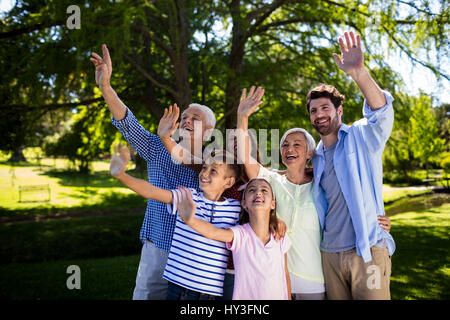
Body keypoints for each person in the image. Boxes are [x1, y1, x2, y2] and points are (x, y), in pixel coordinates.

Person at [90, 44, 216, 300]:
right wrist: (106, 87)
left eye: (196, 119)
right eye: (185, 117)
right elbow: (127, 122)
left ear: (209, 132)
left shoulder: (212, 161)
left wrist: (167, 140)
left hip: (194, 251)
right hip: (157, 245)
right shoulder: (156, 146)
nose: (187, 121)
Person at [307, 31, 395, 299]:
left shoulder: (360, 136)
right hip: (329, 256)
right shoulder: (316, 157)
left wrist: (359, 73)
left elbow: (381, 113)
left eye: (324, 108)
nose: (319, 114)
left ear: (339, 111)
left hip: (366, 251)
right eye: (313, 110)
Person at [110, 144, 243, 299]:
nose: (204, 173)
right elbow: (150, 191)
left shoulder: (235, 207)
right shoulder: (187, 196)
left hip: (209, 293)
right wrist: (121, 175)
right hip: (179, 287)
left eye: (213, 170)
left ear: (228, 182)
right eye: (204, 168)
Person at [236, 86, 326, 299]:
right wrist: (242, 117)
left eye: (297, 145)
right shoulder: (271, 180)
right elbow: (244, 157)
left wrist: (377, 222)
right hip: (273, 279)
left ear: (309, 154)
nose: (289, 149)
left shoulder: (321, 185)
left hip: (312, 280)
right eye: (285, 145)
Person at [177, 177, 291, 300]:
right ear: (244, 204)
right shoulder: (240, 235)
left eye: (264, 190)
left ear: (273, 204)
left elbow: (284, 273)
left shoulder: (280, 236)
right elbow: (213, 232)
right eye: (252, 190)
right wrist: (189, 219)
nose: (258, 193)